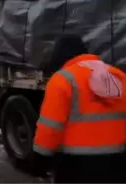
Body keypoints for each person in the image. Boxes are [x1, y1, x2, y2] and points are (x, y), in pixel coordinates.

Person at [32, 34, 126, 184]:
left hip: (76, 166)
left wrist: (40, 161)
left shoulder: (63, 79)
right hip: (118, 163)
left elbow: (50, 128)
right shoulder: (118, 76)